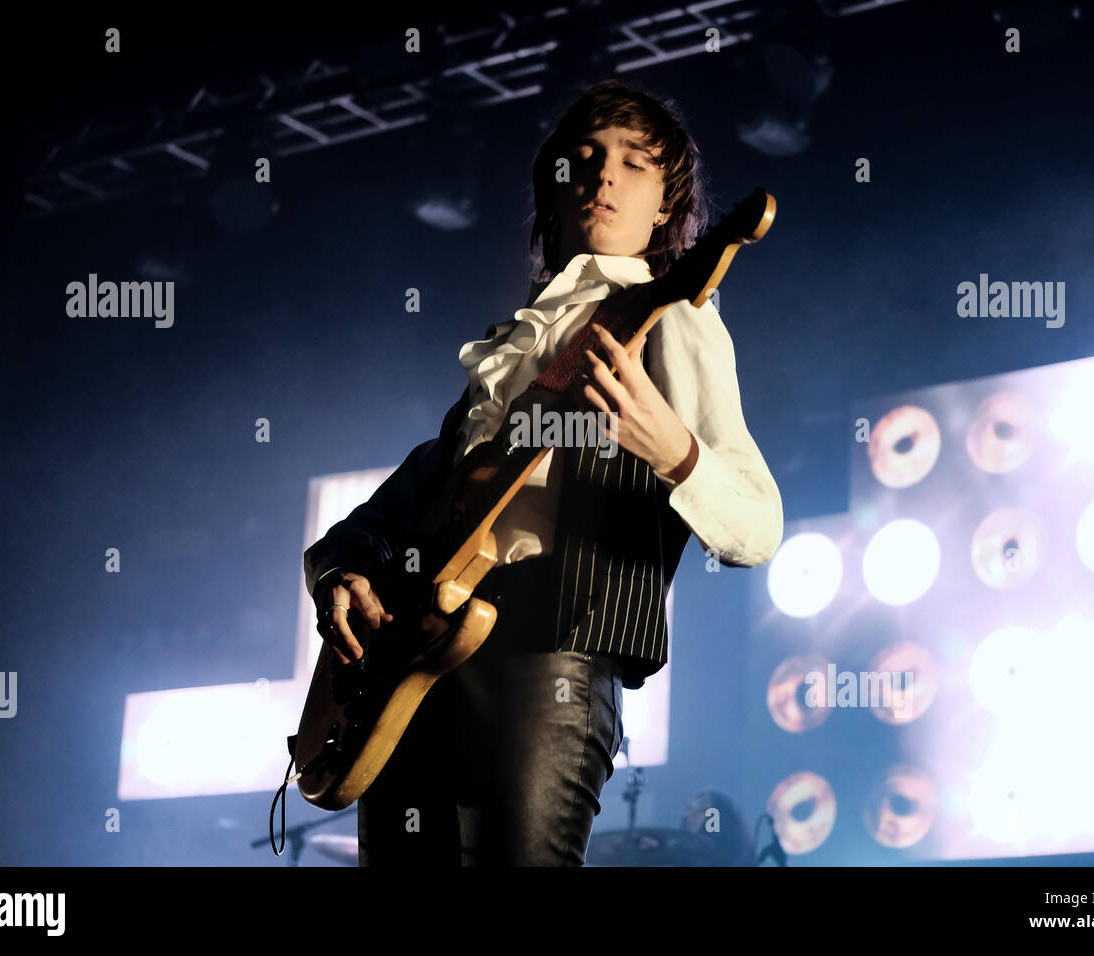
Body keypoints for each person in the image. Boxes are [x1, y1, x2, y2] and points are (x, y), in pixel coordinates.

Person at [303, 79, 783, 866]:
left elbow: (759, 527)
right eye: (585, 159)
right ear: (552, 188)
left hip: (550, 660)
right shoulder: (510, 359)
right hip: (412, 675)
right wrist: (341, 576)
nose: (603, 177)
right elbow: (373, 522)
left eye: (635, 164)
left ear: (666, 205)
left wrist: (672, 450)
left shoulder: (674, 317)